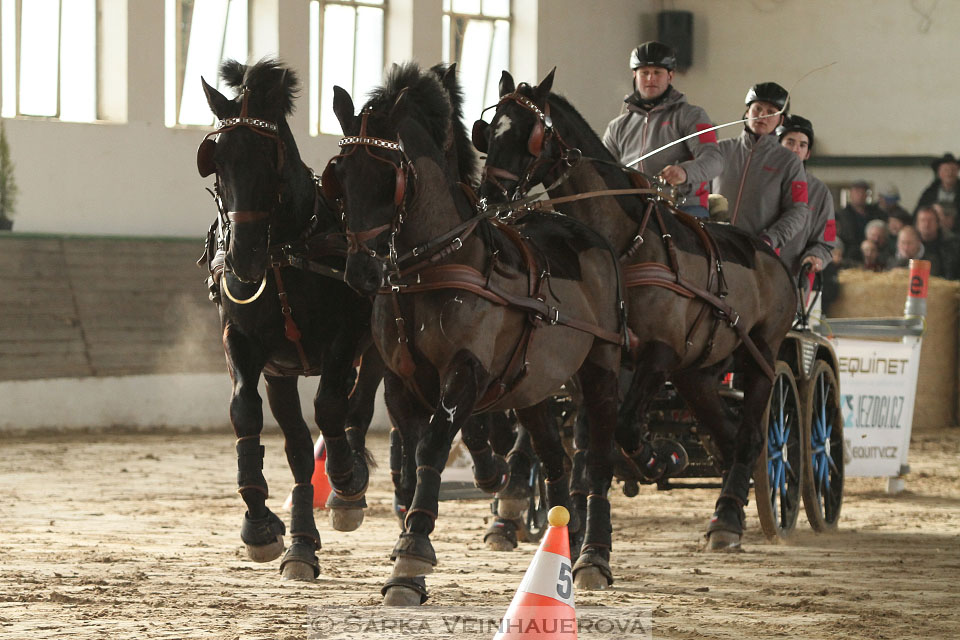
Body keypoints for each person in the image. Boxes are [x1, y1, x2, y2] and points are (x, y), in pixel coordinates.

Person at [603, 41, 723, 217]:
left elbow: (714, 160)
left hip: (683, 207)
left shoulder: (692, 115)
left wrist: (684, 172)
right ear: (635, 76)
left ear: (670, 76)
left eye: (657, 72)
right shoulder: (617, 127)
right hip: (633, 209)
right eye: (645, 73)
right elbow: (602, 169)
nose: (651, 78)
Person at [712, 82, 809, 263]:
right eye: (757, 109)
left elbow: (798, 211)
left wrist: (770, 239)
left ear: (780, 120)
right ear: (747, 112)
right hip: (712, 248)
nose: (762, 116)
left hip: (756, 255)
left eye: (771, 111)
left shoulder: (789, 162)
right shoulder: (719, 150)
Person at [776, 114, 835, 275]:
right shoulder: (759, 182)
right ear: (777, 145)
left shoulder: (820, 192)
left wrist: (815, 256)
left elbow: (826, 243)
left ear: (808, 153)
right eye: (790, 142)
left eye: (802, 145)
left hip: (793, 281)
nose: (796, 149)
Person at [836, 179, 883, 262]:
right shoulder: (841, 215)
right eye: (857, 192)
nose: (860, 195)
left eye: (863, 192)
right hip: (849, 255)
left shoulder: (876, 213)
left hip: (873, 254)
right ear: (851, 194)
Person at [914, 205, 958, 278]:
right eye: (922, 220)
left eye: (930, 220)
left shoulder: (951, 244)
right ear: (917, 224)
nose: (926, 224)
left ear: (937, 223)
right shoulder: (911, 242)